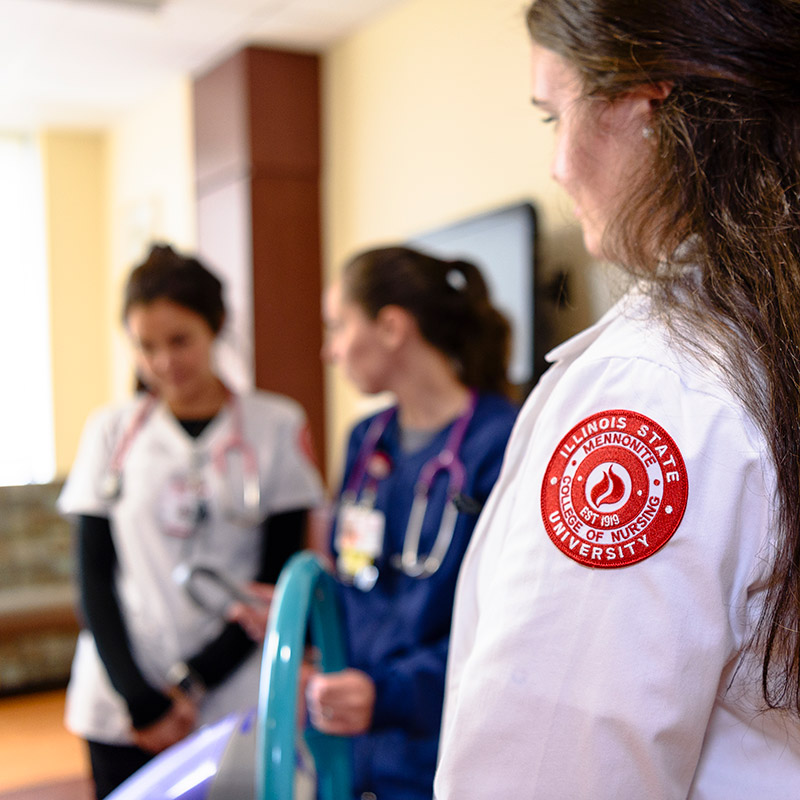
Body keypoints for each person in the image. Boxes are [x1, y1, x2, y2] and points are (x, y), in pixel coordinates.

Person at [433, 1, 800, 798]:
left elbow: (550, 776)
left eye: (551, 114)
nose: (558, 166)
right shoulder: (767, 343)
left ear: (645, 106)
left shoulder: (654, 389)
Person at [57, 244, 324, 799]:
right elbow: (93, 577)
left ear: (216, 327)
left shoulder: (273, 425)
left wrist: (192, 681)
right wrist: (142, 699)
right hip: (123, 697)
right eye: (145, 346)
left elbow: (275, 576)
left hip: (233, 693)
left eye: (179, 341)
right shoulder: (110, 432)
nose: (162, 363)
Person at [305, 245, 519, 800]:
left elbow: (509, 624)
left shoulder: (504, 444)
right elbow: (358, 580)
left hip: (442, 748)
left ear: (392, 327)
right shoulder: (365, 441)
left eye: (338, 326)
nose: (330, 351)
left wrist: (390, 694)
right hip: (356, 747)